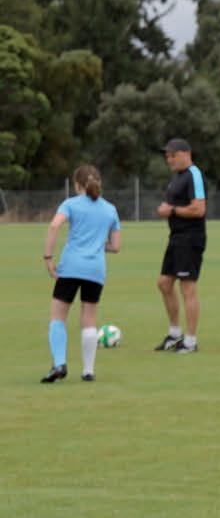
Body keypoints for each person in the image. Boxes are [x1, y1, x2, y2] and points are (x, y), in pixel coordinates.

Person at [41, 164, 122, 383]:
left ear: (77, 185)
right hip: (96, 269)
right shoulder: (111, 209)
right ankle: (88, 371)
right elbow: (115, 246)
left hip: (70, 267)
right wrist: (97, 244)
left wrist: (48, 257)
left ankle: (59, 364)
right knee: (89, 319)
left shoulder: (70, 204)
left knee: (58, 317)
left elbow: (54, 226)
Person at [153, 137, 207, 352]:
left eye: (173, 155)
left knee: (187, 287)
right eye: (167, 156)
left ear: (186, 154)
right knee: (164, 283)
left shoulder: (194, 174)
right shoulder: (177, 177)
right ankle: (175, 334)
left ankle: (191, 341)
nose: (169, 159)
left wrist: (172, 210)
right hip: (176, 237)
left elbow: (199, 209)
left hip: (190, 238)